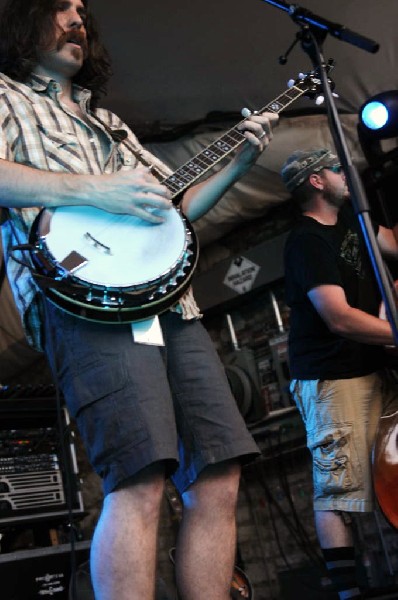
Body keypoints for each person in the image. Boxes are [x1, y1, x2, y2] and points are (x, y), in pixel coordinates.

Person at [0, 1, 279, 599]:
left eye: (82, 11)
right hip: (80, 300)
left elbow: (174, 207)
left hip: (170, 303)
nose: (77, 17)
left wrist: (238, 165)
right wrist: (96, 190)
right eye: (60, 6)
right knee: (140, 474)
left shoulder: (110, 121)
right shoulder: (4, 95)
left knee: (218, 472)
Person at [281, 147, 398, 600]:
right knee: (340, 490)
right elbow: (339, 318)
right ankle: (348, 592)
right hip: (333, 375)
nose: (345, 175)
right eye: (335, 169)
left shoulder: (357, 220)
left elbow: (394, 244)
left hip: (375, 367)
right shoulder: (307, 240)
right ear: (315, 181)